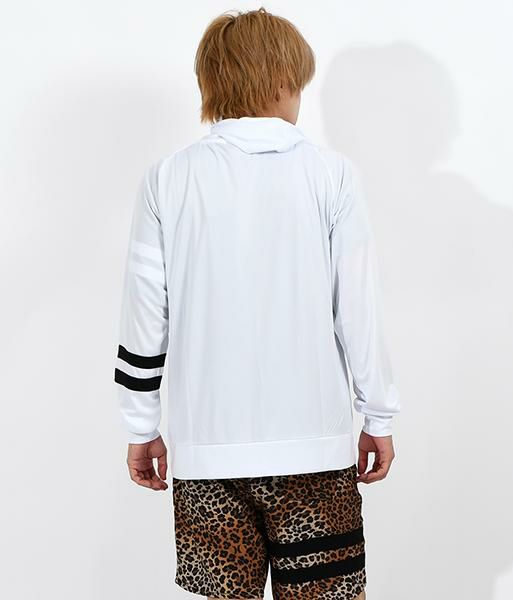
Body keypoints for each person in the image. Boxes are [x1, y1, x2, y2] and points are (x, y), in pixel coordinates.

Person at [113, 6, 401, 600]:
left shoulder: (168, 178)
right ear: (283, 81)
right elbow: (359, 312)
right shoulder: (332, 176)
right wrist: (378, 416)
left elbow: (144, 316)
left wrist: (141, 424)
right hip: (314, 452)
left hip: (207, 456)